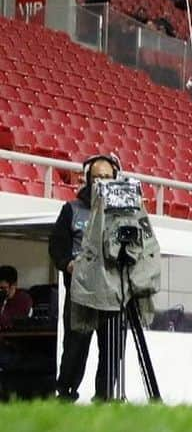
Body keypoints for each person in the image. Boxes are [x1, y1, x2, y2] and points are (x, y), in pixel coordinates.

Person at [49, 153, 120, 401]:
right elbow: (57, 245)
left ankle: (105, 399)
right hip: (80, 295)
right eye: (97, 177)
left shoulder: (124, 212)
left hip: (113, 295)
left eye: (108, 177)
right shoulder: (71, 209)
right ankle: (66, 394)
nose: (102, 182)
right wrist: (67, 264)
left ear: (116, 179)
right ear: (88, 178)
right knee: (74, 350)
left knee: (112, 352)